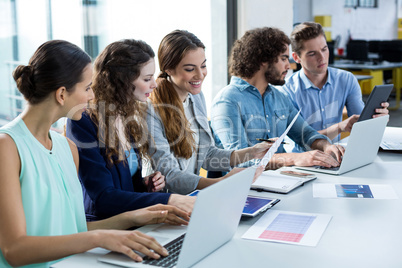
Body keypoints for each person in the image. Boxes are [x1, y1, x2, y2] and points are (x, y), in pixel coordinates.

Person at [0, 40, 190, 268]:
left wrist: (143, 215)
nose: (92, 97)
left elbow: (75, 230)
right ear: (62, 94)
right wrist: (99, 238)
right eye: (88, 88)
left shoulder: (66, 148)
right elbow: (14, 250)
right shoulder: (7, 146)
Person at [66, 39, 195, 221]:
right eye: (146, 79)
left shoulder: (128, 116)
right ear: (123, 81)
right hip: (104, 227)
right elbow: (104, 198)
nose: (154, 84)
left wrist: (145, 185)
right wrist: (169, 199)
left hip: (133, 222)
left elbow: (126, 189)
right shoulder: (84, 121)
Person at [146, 30, 269, 195]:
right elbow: (169, 176)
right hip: (165, 203)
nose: (200, 75)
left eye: (203, 65)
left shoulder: (196, 98)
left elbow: (207, 155)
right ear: (168, 69)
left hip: (190, 198)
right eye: (190, 69)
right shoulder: (151, 110)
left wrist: (251, 152)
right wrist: (221, 182)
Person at [210, 27, 343, 170]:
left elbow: (306, 134)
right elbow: (239, 160)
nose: (289, 65)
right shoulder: (227, 101)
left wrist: (326, 146)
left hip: (281, 182)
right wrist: (293, 158)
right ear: (263, 60)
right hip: (247, 188)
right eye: (283, 58)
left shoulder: (280, 97)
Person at [281, 22, 389, 144]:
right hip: (301, 159)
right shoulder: (286, 91)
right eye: (312, 53)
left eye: (324, 49)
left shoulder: (346, 79)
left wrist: (376, 119)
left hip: (335, 155)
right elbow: (301, 139)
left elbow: (362, 126)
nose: (322, 58)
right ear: (296, 58)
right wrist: (339, 127)